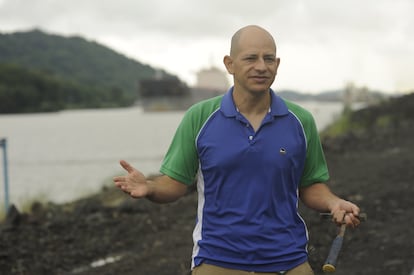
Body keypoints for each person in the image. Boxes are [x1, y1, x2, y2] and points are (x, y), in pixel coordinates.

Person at [113, 25, 361, 275]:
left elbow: (310, 185)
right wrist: (150, 187)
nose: (262, 66)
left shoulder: (301, 120)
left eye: (269, 59)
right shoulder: (199, 117)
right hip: (217, 259)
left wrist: (333, 202)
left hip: (288, 259)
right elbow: (175, 183)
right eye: (251, 58)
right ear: (230, 64)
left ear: (277, 64)